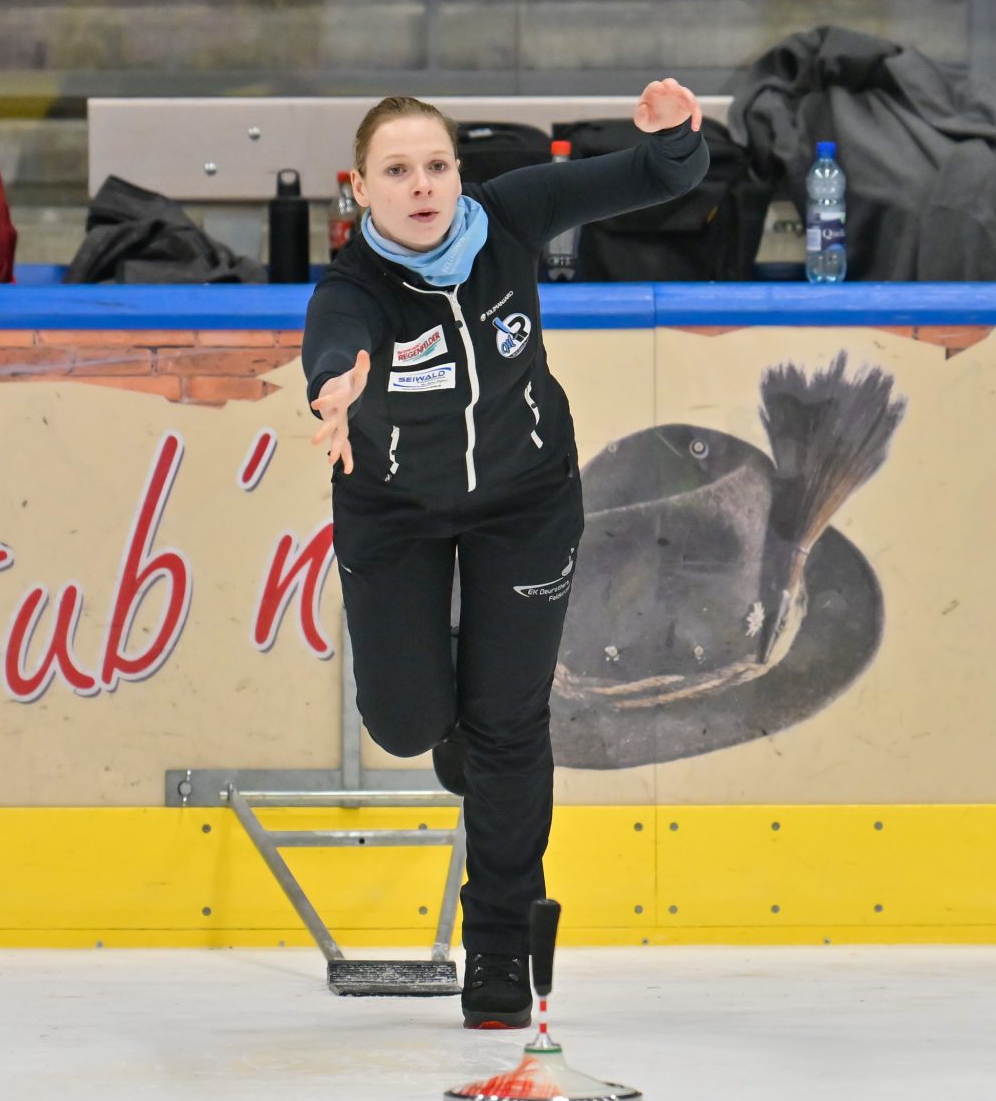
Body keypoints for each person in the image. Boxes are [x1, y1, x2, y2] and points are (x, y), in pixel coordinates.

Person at [303, 80, 708, 1029]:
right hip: (392, 509)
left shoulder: (511, 218)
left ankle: (498, 949)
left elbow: (659, 178)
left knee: (512, 724)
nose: (422, 186)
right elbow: (334, 341)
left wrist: (677, 134)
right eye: (396, 171)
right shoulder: (353, 287)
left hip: (525, 502)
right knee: (406, 724)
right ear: (360, 189)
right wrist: (334, 385)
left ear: (459, 174)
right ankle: (453, 738)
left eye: (436, 165)